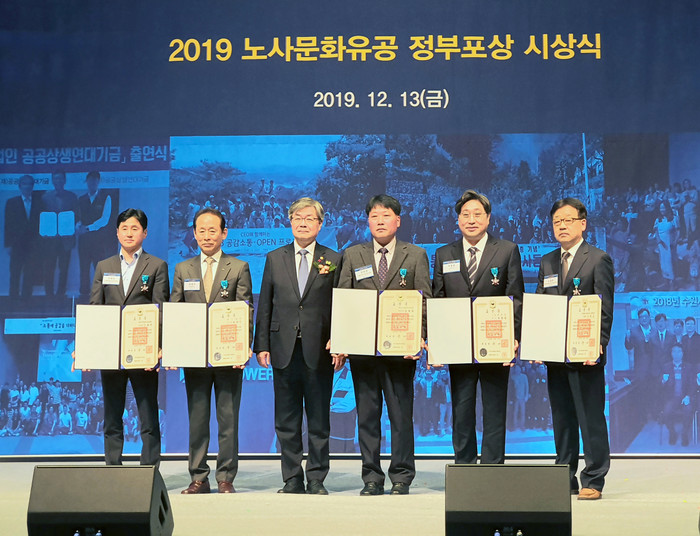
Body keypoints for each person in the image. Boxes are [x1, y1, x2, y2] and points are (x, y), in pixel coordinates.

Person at [335, 194, 431, 496]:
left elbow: (424, 301)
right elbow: (343, 301)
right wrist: (341, 340)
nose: (380, 221)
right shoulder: (353, 255)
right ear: (368, 221)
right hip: (363, 352)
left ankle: (402, 476)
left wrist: (420, 337)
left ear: (397, 221)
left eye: (386, 215)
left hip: (401, 351)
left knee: (401, 416)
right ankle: (372, 477)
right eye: (374, 216)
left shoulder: (415, 255)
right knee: (367, 416)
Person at [254, 197, 343, 495]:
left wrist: (340, 340)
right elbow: (265, 303)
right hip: (283, 348)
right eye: (298, 218)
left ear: (320, 224)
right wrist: (261, 345)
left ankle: (316, 477)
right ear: (290, 222)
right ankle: (291, 478)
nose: (303, 223)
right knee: (286, 419)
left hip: (320, 350)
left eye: (309, 218)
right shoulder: (274, 258)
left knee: (318, 419)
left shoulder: (334, 258)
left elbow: (341, 305)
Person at [432, 189, 524, 465]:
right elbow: (437, 300)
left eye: (477, 214)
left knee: (495, 407)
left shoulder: (506, 250)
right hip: (457, 345)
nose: (471, 220)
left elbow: (515, 297)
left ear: (488, 218)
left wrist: (514, 337)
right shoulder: (443, 253)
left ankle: (493, 467)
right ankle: (464, 465)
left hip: (496, 341)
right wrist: (436, 342)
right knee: (462, 408)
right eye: (465, 214)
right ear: (458, 219)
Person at [536, 197, 614, 501]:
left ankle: (594, 478)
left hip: (585, 355)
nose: (562, 226)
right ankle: (564, 476)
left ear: (582, 224)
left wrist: (597, 346)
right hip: (555, 356)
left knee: (590, 418)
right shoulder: (547, 261)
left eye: (568, 220)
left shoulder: (598, 259)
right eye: (557, 221)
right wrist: (538, 342)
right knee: (562, 419)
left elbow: (604, 308)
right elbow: (542, 306)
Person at [171, 208, 253, 495]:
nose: (207, 236)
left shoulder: (238, 267)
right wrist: (174, 349)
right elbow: (175, 312)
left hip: (228, 355)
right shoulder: (183, 269)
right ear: (194, 234)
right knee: (198, 419)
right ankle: (198, 477)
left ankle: (226, 477)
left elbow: (245, 310)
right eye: (201, 231)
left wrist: (243, 348)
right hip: (194, 356)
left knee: (228, 419)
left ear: (224, 233)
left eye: (212, 230)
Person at [89, 208, 169, 466]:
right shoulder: (104, 267)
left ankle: (149, 468)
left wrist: (158, 347)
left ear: (144, 233)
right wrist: (90, 349)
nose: (129, 233)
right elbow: (95, 310)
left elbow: (160, 310)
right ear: (117, 233)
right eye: (124, 228)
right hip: (111, 351)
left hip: (143, 351)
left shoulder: (156, 266)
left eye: (135, 228)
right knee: (112, 413)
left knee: (147, 412)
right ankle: (113, 467)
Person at [77, 171, 114, 297]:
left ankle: (101, 295)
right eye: (90, 180)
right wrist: (78, 226)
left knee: (99, 268)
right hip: (84, 240)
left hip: (99, 240)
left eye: (95, 180)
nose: (92, 183)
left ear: (98, 182)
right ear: (86, 182)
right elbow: (78, 217)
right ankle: (83, 295)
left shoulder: (105, 198)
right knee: (84, 268)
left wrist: (88, 228)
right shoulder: (81, 199)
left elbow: (104, 219)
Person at [41, 171, 78, 297]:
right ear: (52, 180)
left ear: (65, 180)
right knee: (48, 268)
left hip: (66, 239)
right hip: (49, 240)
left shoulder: (72, 197)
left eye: (61, 178)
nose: (58, 181)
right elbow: (41, 218)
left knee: (64, 269)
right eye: (56, 179)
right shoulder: (45, 197)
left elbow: (77, 216)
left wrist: (75, 226)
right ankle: (49, 295)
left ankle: (60, 294)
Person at [4, 174, 39, 297]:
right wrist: (8, 244)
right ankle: (13, 297)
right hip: (16, 244)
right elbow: (7, 225)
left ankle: (26, 298)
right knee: (15, 271)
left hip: (32, 244)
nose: (27, 186)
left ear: (32, 186)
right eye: (24, 184)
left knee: (29, 272)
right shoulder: (11, 202)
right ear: (20, 186)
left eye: (30, 184)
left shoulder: (38, 202)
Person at [660, 344, 694, 446]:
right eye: (674, 351)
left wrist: (688, 396)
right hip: (672, 398)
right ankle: (672, 432)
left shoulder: (689, 367)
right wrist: (663, 381)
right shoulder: (666, 367)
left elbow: (692, 384)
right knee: (666, 412)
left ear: (683, 353)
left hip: (685, 397)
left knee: (688, 410)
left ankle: (684, 434)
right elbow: (659, 386)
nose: (676, 354)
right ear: (671, 353)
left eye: (679, 351)